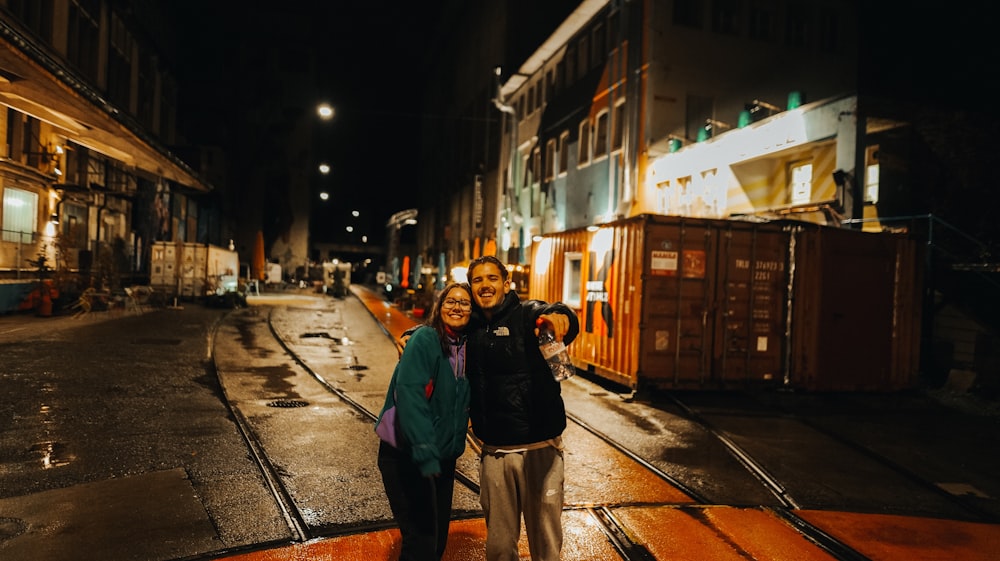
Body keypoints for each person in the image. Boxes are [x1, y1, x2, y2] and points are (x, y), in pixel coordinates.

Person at [464, 255, 579, 561]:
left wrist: (561, 317)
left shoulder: (528, 315)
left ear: (506, 284)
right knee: (500, 547)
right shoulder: (471, 327)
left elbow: (556, 314)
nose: (485, 285)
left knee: (545, 542)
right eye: (478, 280)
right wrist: (411, 336)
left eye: (492, 278)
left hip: (541, 448)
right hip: (495, 452)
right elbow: (438, 328)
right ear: (471, 287)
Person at [376, 281, 473, 561]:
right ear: (439, 306)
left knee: (437, 541)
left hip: (442, 457)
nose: (456, 306)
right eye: (449, 301)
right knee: (421, 543)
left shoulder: (467, 346)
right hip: (409, 453)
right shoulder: (426, 339)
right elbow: (410, 396)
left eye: (464, 303)